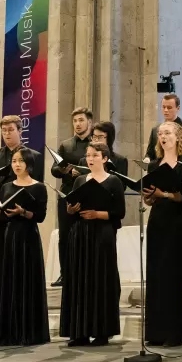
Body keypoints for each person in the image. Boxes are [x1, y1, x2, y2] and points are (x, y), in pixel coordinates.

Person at [62, 143, 126, 347]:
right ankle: (80, 332)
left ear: (105, 158)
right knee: (81, 279)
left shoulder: (113, 181)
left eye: (95, 155)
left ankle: (101, 331)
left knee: (100, 279)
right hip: (81, 233)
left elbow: (120, 212)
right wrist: (71, 210)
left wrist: (97, 214)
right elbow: (70, 209)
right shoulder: (80, 179)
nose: (90, 158)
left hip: (103, 233)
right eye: (88, 155)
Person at [0, 147, 50, 347]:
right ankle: (10, 331)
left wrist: (23, 212)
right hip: (10, 235)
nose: (17, 164)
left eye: (21, 161)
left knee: (27, 281)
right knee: (10, 281)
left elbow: (40, 217)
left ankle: (28, 332)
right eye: (14, 161)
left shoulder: (39, 187)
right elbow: (0, 216)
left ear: (29, 164)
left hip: (29, 236)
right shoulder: (6, 187)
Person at [142, 121, 182, 346]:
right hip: (157, 222)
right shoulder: (154, 165)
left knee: (174, 275)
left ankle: (174, 332)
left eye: (167, 133)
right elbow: (148, 198)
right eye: (160, 134)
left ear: (178, 137)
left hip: (177, 221)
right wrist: (153, 195)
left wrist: (164, 194)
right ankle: (155, 332)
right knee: (156, 274)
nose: (163, 137)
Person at [0, 116, 43, 280]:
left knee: (18, 261)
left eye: (11, 130)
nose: (6, 134)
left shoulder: (34, 156)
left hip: (19, 216)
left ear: (20, 131)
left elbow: (37, 185)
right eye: (4, 131)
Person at [50, 107, 93, 289]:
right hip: (68, 194)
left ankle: (88, 271)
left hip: (90, 194)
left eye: (81, 120)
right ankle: (65, 273)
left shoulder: (96, 144)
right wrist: (65, 170)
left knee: (89, 235)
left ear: (89, 122)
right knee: (65, 235)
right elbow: (54, 170)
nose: (77, 124)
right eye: (75, 121)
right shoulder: (66, 145)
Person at [145, 93, 182, 160]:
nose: (165, 110)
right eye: (163, 107)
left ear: (178, 108)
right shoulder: (155, 129)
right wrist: (147, 159)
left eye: (169, 107)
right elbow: (150, 153)